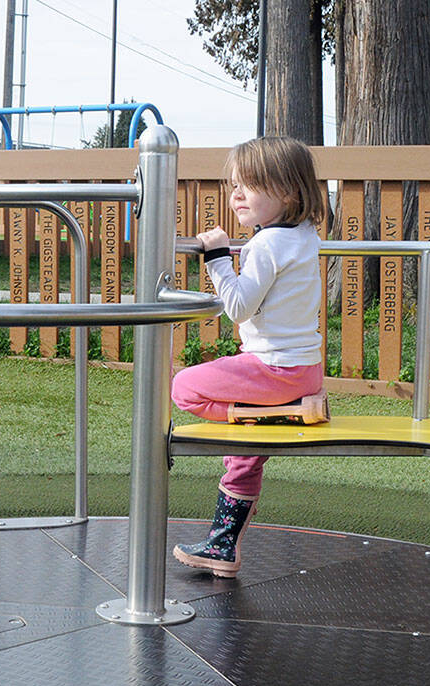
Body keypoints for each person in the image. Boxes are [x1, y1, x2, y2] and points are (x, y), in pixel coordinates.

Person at [171, 136, 327, 579]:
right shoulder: (302, 235)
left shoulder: (266, 245)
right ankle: (223, 548)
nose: (236, 194)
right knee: (244, 452)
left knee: (183, 387)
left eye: (251, 185)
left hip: (273, 370)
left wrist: (218, 258)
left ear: (289, 192)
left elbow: (239, 307)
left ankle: (277, 415)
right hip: (302, 371)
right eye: (234, 185)